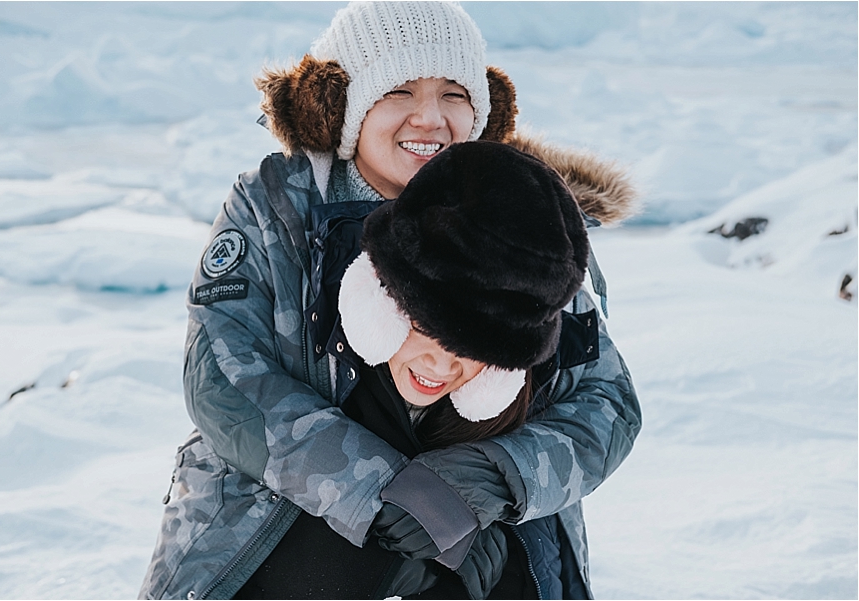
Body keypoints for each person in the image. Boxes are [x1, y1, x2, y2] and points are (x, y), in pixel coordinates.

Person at [139, 2, 640, 600]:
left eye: (453, 93)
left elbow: (605, 401)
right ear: (342, 104)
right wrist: (386, 495)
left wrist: (492, 479)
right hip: (278, 530)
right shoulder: (275, 206)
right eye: (399, 90)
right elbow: (223, 379)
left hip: (486, 535)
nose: (429, 118)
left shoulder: (533, 214)